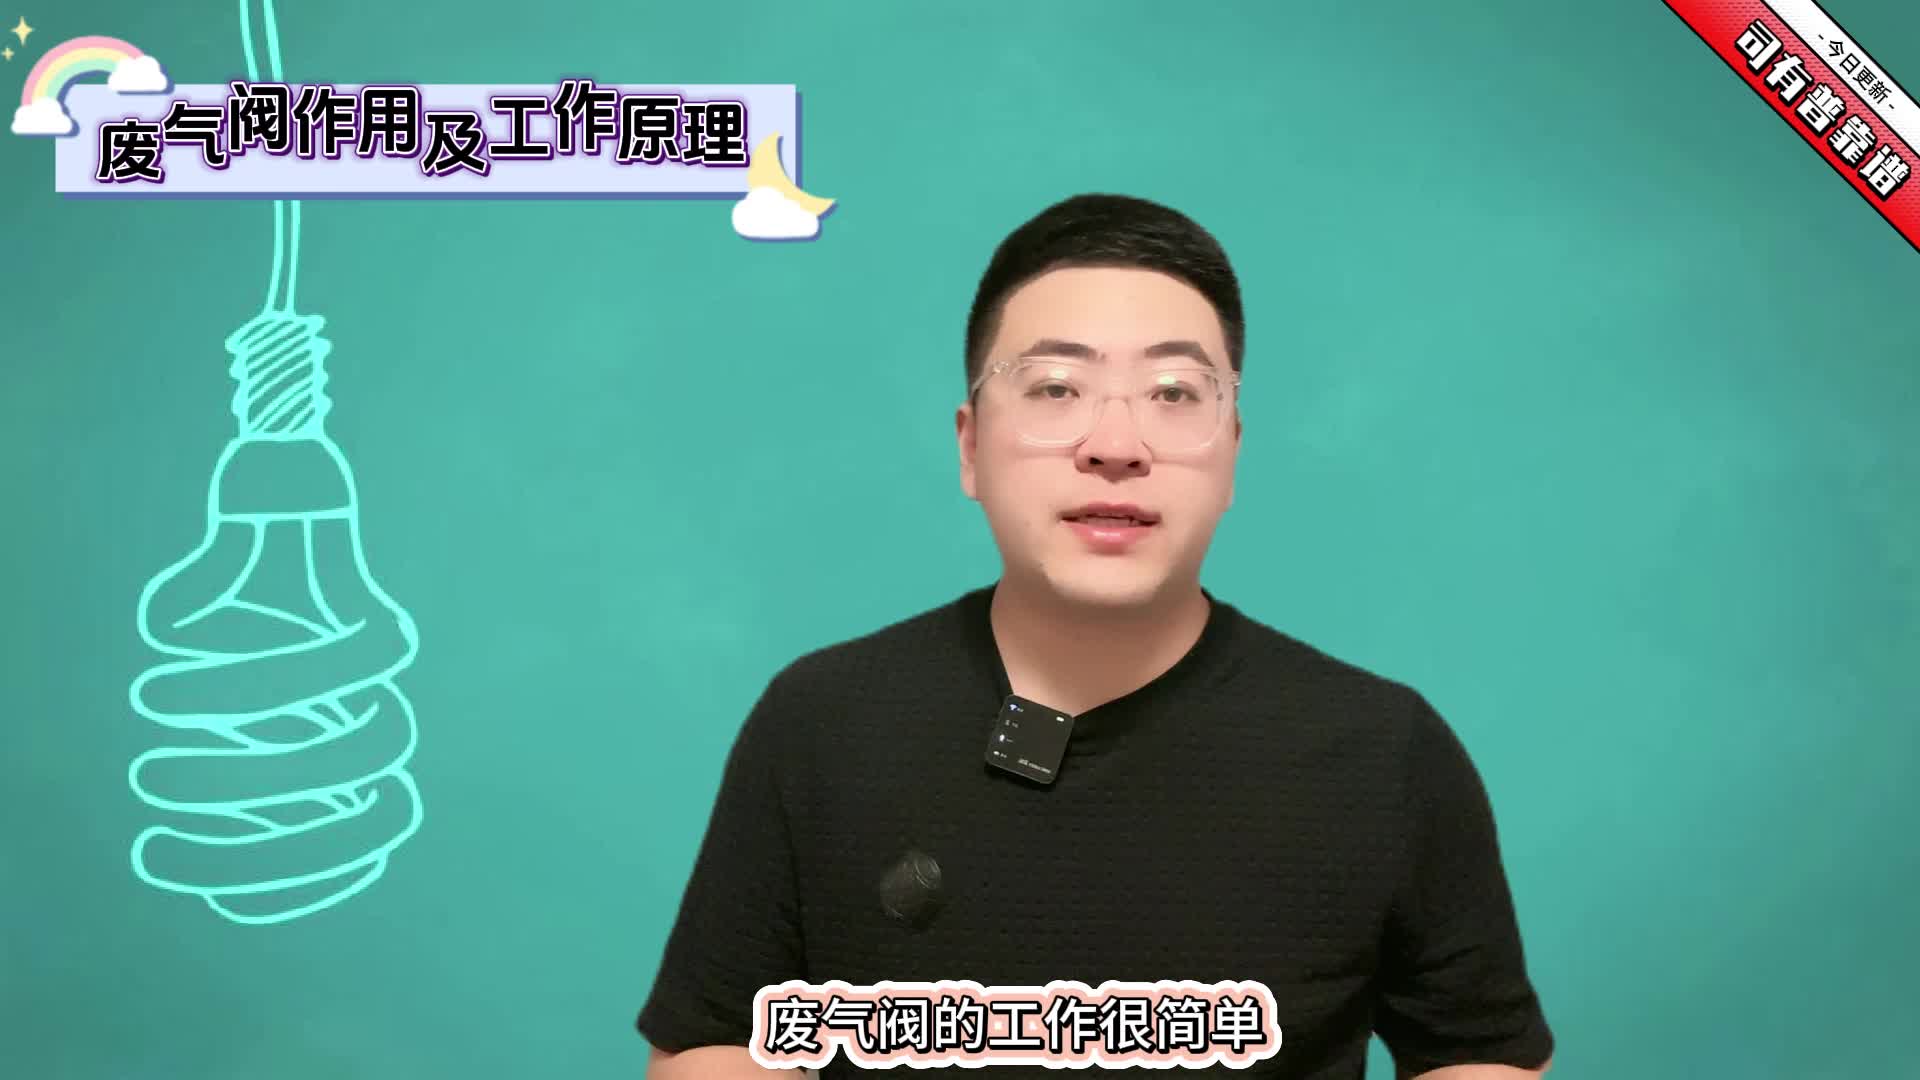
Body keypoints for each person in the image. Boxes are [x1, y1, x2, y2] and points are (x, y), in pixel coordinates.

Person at [637, 194, 1555, 1079]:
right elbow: (717, 1040)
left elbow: (1478, 1050)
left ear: (1233, 451)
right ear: (970, 447)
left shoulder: (1383, 750)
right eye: (1056, 387)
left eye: (1173, 392)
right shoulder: (822, 722)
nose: (1116, 444)